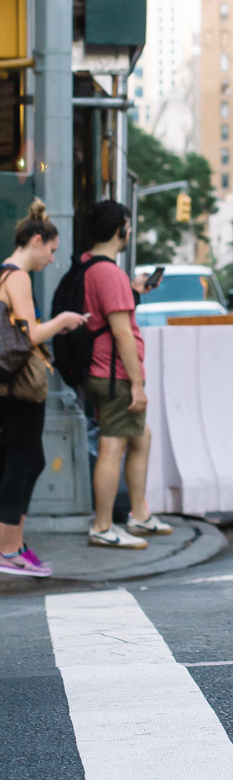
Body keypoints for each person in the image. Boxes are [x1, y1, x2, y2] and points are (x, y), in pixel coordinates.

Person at [0, 201, 89, 577]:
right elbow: (31, 334)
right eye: (51, 251)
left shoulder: (5, 274)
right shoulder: (17, 277)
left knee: (24, 459)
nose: (52, 260)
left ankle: (14, 544)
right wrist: (63, 321)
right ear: (37, 240)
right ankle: (7, 550)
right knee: (24, 459)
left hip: (9, 384)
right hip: (19, 386)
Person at [81, 199, 172, 549]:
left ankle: (139, 515)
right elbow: (121, 332)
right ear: (120, 230)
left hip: (103, 371)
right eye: (128, 225)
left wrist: (132, 291)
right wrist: (137, 384)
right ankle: (103, 527)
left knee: (140, 437)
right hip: (116, 374)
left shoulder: (91, 266)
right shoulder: (110, 274)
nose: (129, 231)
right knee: (112, 446)